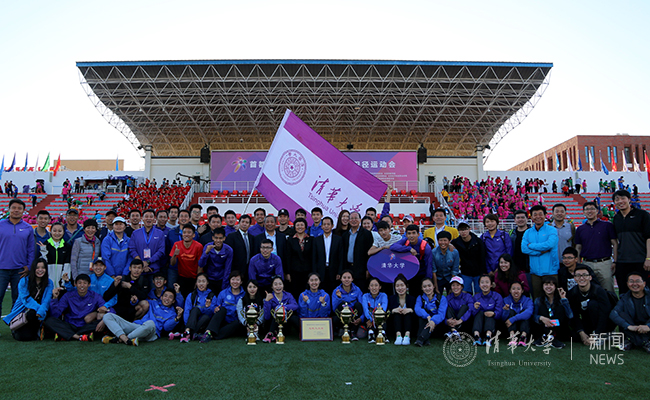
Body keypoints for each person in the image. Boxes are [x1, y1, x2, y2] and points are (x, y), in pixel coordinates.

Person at [103, 288, 183, 346]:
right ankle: (124, 338)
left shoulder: (172, 313)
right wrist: (134, 301)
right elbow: (140, 303)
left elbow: (166, 328)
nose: (167, 299)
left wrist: (177, 318)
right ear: (161, 297)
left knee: (150, 323)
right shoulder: (153, 303)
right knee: (108, 316)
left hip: (151, 332)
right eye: (165, 296)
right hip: (136, 326)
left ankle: (121, 338)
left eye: (170, 297)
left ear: (173, 301)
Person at [43, 274, 107, 341]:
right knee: (49, 321)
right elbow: (56, 314)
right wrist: (54, 298)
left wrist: (103, 320)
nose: (82, 285)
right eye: (79, 283)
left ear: (89, 284)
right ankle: (79, 337)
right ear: (75, 284)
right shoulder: (68, 296)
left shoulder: (95, 296)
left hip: (86, 326)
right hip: (70, 325)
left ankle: (65, 335)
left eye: (85, 283)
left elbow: (107, 309)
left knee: (104, 322)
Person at [3, 258, 53, 341]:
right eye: (37, 268)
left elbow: (46, 301)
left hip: (39, 313)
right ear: (33, 269)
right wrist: (40, 310)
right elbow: (26, 299)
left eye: (43, 268)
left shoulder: (49, 282)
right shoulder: (24, 281)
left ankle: (38, 330)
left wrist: (41, 311)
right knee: (24, 336)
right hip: (24, 313)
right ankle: (17, 330)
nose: (40, 270)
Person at [0, 199, 35, 315]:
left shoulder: (28, 228)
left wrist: (29, 266)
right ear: (9, 209)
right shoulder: (0, 225)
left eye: (19, 208)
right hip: (1, 269)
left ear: (23, 211)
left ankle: (15, 325)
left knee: (18, 301)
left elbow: (31, 249)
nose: (16, 210)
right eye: (14, 208)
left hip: (20, 270)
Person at [612, 190, 650, 294]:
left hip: (640, 260)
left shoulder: (642, 215)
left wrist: (648, 258)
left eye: (623, 198)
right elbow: (616, 241)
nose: (620, 201)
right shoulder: (616, 218)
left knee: (644, 291)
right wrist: (615, 261)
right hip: (622, 261)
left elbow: (649, 238)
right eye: (617, 199)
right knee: (623, 291)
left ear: (629, 199)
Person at [574, 201, 617, 293]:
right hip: (587, 263)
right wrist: (578, 264)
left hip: (604, 263)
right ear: (583, 212)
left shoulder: (607, 225)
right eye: (587, 209)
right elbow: (578, 247)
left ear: (597, 211)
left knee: (608, 290)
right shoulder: (580, 229)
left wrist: (615, 261)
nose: (589, 211)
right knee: (588, 291)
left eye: (592, 209)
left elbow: (615, 243)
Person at [568, 265, 612, 346]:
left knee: (592, 304)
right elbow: (574, 315)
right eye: (578, 275)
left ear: (590, 277)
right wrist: (581, 333)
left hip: (603, 321)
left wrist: (596, 334)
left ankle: (602, 334)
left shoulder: (599, 291)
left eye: (585, 275)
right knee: (573, 336)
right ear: (574, 278)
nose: (581, 278)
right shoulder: (572, 293)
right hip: (587, 320)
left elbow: (605, 313)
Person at [522, 205, 559, 299]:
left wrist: (531, 245)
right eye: (535, 214)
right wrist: (539, 252)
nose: (538, 217)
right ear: (531, 217)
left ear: (545, 215)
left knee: (552, 298)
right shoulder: (528, 232)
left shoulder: (552, 230)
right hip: (535, 272)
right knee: (537, 299)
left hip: (551, 271)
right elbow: (524, 249)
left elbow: (549, 244)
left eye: (540, 214)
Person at [198, 271, 246, 343]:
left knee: (237, 323)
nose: (235, 282)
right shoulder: (223, 293)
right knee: (222, 309)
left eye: (237, 280)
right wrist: (215, 309)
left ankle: (210, 336)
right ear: (229, 281)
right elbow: (215, 306)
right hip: (223, 320)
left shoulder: (244, 295)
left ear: (241, 282)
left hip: (234, 323)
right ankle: (208, 332)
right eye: (233, 279)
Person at [610, 272, 650, 353]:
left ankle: (631, 340)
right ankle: (645, 342)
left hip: (647, 327)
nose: (634, 284)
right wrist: (628, 326)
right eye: (631, 281)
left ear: (644, 283)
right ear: (627, 284)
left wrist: (648, 326)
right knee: (621, 314)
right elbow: (613, 314)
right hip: (632, 328)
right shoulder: (624, 298)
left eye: (638, 281)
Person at [390, 224, 433, 296]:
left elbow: (429, 265)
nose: (411, 236)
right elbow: (393, 247)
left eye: (413, 233)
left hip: (420, 273)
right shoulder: (405, 241)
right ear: (406, 235)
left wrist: (428, 280)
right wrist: (408, 249)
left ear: (418, 234)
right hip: (408, 273)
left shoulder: (425, 246)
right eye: (409, 233)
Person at [533, 276, 572, 348]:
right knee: (542, 309)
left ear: (555, 286)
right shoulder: (538, 300)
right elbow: (534, 316)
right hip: (544, 327)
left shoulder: (561, 300)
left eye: (551, 284)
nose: (548, 287)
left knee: (560, 309)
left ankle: (551, 337)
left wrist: (564, 299)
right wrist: (541, 318)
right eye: (546, 284)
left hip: (558, 328)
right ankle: (548, 336)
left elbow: (570, 315)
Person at [128, 209, 166, 283]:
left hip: (154, 269)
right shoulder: (135, 233)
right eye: (146, 216)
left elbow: (161, 251)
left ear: (154, 219)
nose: (148, 218)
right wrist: (141, 263)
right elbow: (132, 249)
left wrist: (148, 262)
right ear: (142, 219)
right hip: (138, 270)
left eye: (151, 216)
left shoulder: (160, 233)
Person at [179, 273, 216, 342]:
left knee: (205, 317)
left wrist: (207, 307)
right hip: (192, 322)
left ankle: (189, 334)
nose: (201, 284)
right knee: (195, 309)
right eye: (199, 281)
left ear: (207, 282)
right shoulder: (191, 295)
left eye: (203, 281)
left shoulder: (212, 296)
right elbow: (187, 311)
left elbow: (211, 315)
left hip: (203, 324)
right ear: (196, 283)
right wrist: (187, 324)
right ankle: (188, 331)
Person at [262, 276, 300, 342]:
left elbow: (295, 306)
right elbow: (267, 317)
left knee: (293, 317)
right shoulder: (270, 296)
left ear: (283, 285)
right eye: (275, 284)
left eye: (280, 284)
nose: (278, 286)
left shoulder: (288, 295)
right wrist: (267, 301)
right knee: (276, 315)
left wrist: (282, 307)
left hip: (285, 324)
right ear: (272, 287)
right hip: (273, 323)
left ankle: (304, 332)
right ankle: (270, 334)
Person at [312, 216, 343, 294]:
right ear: (321, 226)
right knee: (321, 293)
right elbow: (314, 258)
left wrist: (339, 272)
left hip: (334, 271)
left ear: (332, 226)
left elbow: (341, 257)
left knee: (333, 292)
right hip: (320, 271)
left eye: (328, 224)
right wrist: (315, 273)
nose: (326, 226)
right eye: (324, 224)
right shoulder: (316, 240)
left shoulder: (338, 239)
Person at [452, 222, 485, 295]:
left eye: (465, 229)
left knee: (478, 293)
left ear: (469, 229)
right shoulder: (456, 242)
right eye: (461, 230)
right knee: (464, 292)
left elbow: (482, 256)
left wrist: (483, 271)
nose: (463, 232)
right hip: (465, 272)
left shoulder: (477, 241)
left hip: (478, 272)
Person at [170, 224, 204, 296]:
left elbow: (200, 264)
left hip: (194, 277)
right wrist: (174, 255)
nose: (186, 234)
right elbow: (172, 263)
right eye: (184, 232)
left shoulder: (199, 246)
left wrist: (198, 280)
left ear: (193, 235)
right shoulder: (177, 245)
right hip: (182, 276)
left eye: (189, 232)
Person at [414, 277, 448, 347]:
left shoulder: (441, 298)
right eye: (424, 287)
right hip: (425, 322)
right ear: (421, 288)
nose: (427, 288)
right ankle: (425, 339)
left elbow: (441, 314)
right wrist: (427, 316)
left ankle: (421, 338)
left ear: (433, 286)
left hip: (437, 325)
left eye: (429, 286)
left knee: (431, 318)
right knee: (422, 314)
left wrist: (432, 321)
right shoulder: (420, 297)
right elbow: (417, 309)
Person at [198, 227, 233, 293]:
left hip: (221, 278)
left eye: (220, 238)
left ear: (224, 238)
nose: (218, 240)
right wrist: (206, 253)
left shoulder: (228, 250)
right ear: (213, 238)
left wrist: (224, 285)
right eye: (216, 238)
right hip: (209, 278)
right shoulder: (207, 246)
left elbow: (228, 268)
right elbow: (201, 264)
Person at [471, 274, 503, 347]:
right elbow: (472, 314)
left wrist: (494, 314)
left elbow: (499, 312)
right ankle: (476, 336)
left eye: (487, 282)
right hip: (479, 323)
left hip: (492, 324)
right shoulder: (476, 297)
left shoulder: (497, 296)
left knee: (489, 314)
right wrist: (475, 308)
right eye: (482, 282)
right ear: (479, 285)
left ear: (491, 285)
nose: (484, 285)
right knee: (479, 313)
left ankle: (488, 337)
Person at [331, 270, 364, 340]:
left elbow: (362, 305)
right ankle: (345, 329)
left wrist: (361, 318)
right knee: (341, 305)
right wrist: (339, 298)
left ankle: (353, 331)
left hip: (354, 315)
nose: (346, 280)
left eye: (349, 277)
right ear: (341, 279)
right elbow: (334, 309)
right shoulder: (336, 291)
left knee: (358, 305)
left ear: (352, 279)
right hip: (343, 316)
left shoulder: (357, 290)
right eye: (344, 277)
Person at [37, 222, 71, 288]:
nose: (57, 233)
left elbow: (67, 266)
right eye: (54, 231)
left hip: (60, 283)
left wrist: (63, 282)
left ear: (63, 232)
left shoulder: (67, 246)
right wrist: (43, 251)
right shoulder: (45, 245)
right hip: (47, 283)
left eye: (60, 231)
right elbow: (42, 264)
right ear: (50, 231)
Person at [286, 218, 313, 296]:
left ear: (305, 227)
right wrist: (288, 273)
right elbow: (288, 257)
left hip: (308, 271)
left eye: (302, 225)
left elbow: (313, 256)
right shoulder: (290, 240)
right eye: (297, 225)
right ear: (294, 227)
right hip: (294, 272)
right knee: (295, 292)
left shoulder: (311, 239)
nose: (300, 227)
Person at [501, 281, 533, 347]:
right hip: (509, 327)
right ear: (510, 290)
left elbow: (529, 312)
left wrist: (513, 319)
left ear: (522, 291)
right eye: (513, 289)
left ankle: (523, 337)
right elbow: (503, 319)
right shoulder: (505, 300)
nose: (516, 291)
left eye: (518, 289)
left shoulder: (527, 300)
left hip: (523, 326)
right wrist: (505, 311)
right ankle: (512, 337)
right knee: (511, 311)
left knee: (525, 314)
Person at [224, 214, 254, 282]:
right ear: (239, 223)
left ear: (249, 225)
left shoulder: (252, 238)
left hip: (248, 269)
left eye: (247, 222)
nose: (244, 224)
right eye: (242, 222)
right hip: (235, 269)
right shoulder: (232, 236)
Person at [388, 273, 416, 345]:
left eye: (402, 285)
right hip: (395, 326)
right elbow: (387, 312)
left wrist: (410, 310)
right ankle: (398, 336)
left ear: (406, 286)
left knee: (408, 313)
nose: (400, 288)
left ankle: (407, 336)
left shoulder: (412, 299)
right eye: (397, 286)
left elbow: (416, 313)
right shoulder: (391, 299)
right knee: (396, 313)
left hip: (409, 325)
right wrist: (393, 310)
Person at [361, 277, 389, 342]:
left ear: (380, 287)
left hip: (380, 317)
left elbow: (384, 308)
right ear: (368, 287)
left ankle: (383, 333)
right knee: (369, 312)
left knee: (383, 316)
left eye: (376, 285)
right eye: (371, 285)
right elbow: (365, 309)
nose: (374, 288)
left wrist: (374, 320)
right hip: (369, 318)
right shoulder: (365, 296)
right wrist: (371, 319)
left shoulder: (383, 295)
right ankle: (371, 334)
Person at [508, 209, 530, 280]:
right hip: (515, 268)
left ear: (527, 219)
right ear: (515, 220)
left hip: (529, 267)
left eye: (522, 217)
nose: (520, 219)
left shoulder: (533, 232)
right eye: (518, 218)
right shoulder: (511, 233)